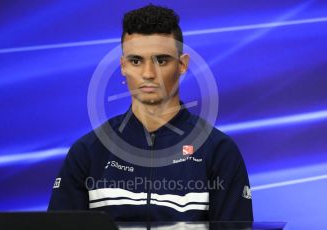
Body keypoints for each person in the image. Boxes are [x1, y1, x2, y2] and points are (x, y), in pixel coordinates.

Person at [48, 4, 253, 222]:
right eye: (136, 61)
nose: (148, 74)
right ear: (123, 66)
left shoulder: (219, 151)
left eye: (161, 60)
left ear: (182, 65)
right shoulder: (87, 153)